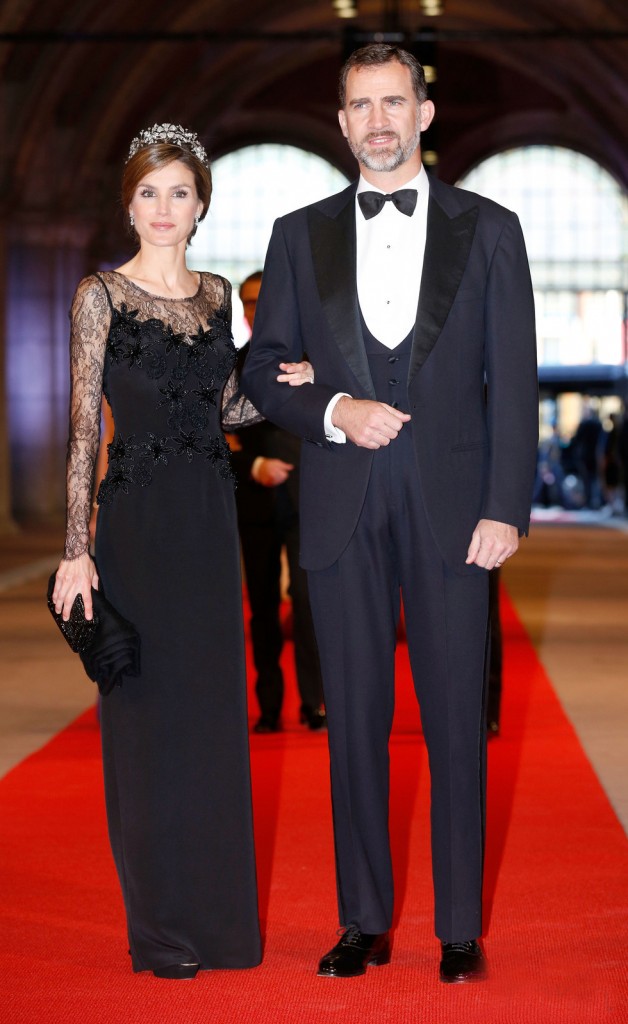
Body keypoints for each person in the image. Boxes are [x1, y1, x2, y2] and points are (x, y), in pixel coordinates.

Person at [242, 44, 538, 984]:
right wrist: (334, 408)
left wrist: (507, 506)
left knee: (455, 723)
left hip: (456, 510)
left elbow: (515, 381)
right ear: (341, 122)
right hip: (341, 501)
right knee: (355, 725)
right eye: (361, 105)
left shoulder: (491, 229)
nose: (378, 120)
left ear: (423, 112)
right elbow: (263, 368)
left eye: (393, 102)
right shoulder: (298, 234)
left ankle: (459, 928)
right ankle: (362, 919)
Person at [51, 124, 271, 979]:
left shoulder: (217, 296)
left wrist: (282, 383)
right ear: (129, 204)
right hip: (137, 528)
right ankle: (160, 931)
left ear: (201, 203)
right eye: (149, 192)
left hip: (210, 522)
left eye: (179, 192)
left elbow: (227, 406)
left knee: (210, 724)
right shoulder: (99, 296)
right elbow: (84, 429)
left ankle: (219, 925)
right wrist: (77, 550)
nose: (164, 208)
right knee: (146, 729)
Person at [230, 271, 325, 733]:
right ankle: (269, 705)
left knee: (308, 603)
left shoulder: (314, 360)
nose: (256, 309)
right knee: (263, 607)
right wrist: (254, 466)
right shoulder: (232, 364)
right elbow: (215, 437)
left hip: (310, 502)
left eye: (263, 300)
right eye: (248, 302)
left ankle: (315, 701)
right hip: (256, 501)